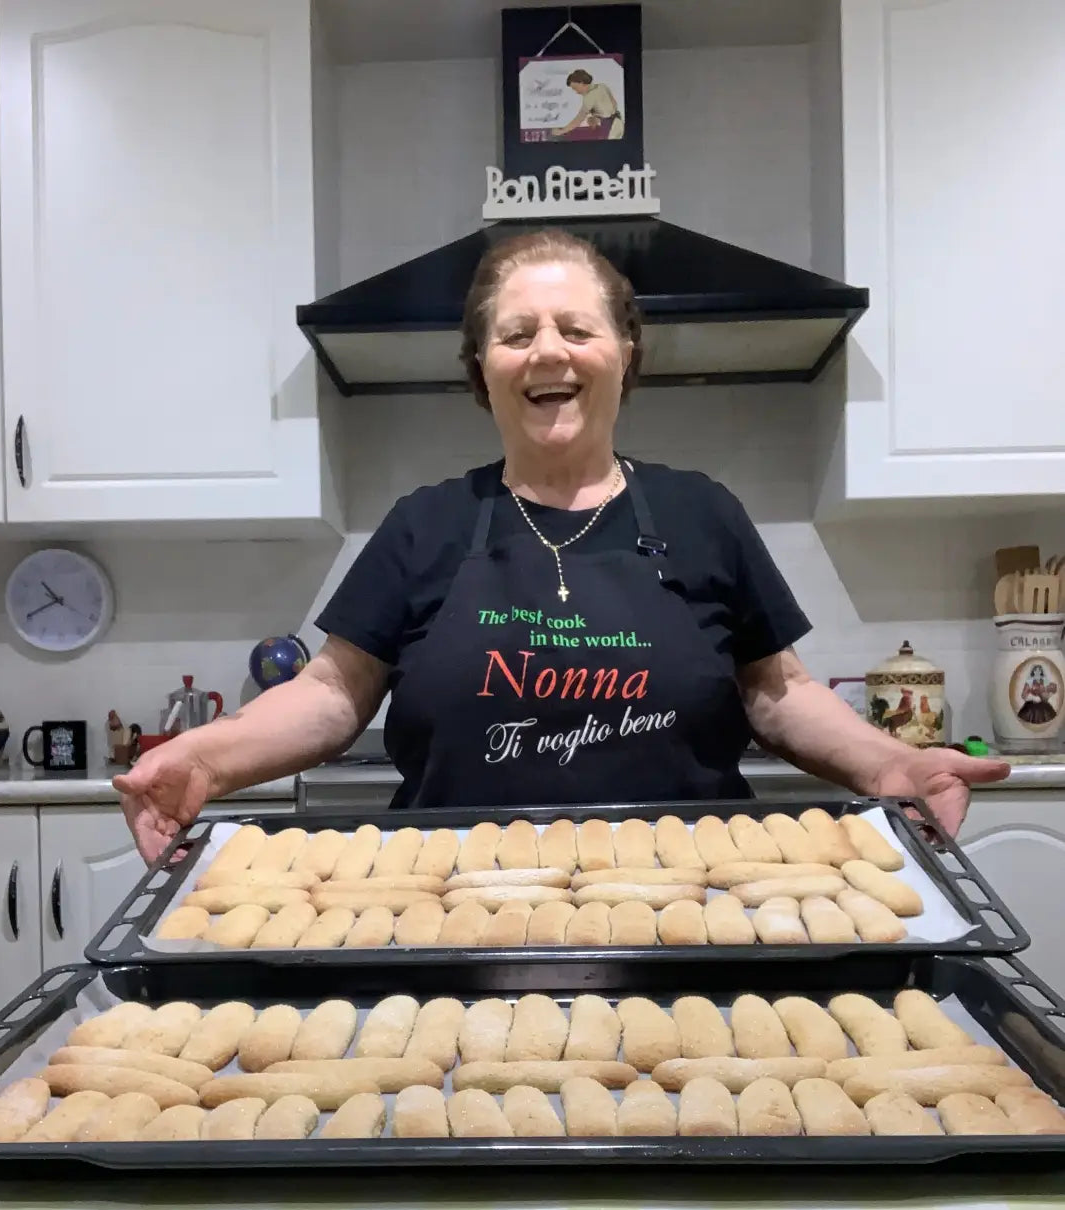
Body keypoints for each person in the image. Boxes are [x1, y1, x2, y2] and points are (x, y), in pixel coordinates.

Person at [116, 228, 1007, 861]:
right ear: (481, 371)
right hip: (451, 898)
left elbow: (778, 697)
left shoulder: (702, 512)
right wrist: (203, 759)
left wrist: (891, 761)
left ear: (625, 354)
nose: (549, 351)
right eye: (516, 334)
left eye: (577, 329)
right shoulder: (425, 522)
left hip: (685, 898)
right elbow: (329, 697)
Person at [551, 69, 624, 139]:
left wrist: (562, 131)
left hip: (611, 128)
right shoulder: (602, 86)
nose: (577, 92)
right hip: (619, 122)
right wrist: (598, 117)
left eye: (575, 88)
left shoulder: (589, 97)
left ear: (582, 83)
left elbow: (579, 119)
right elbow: (614, 104)